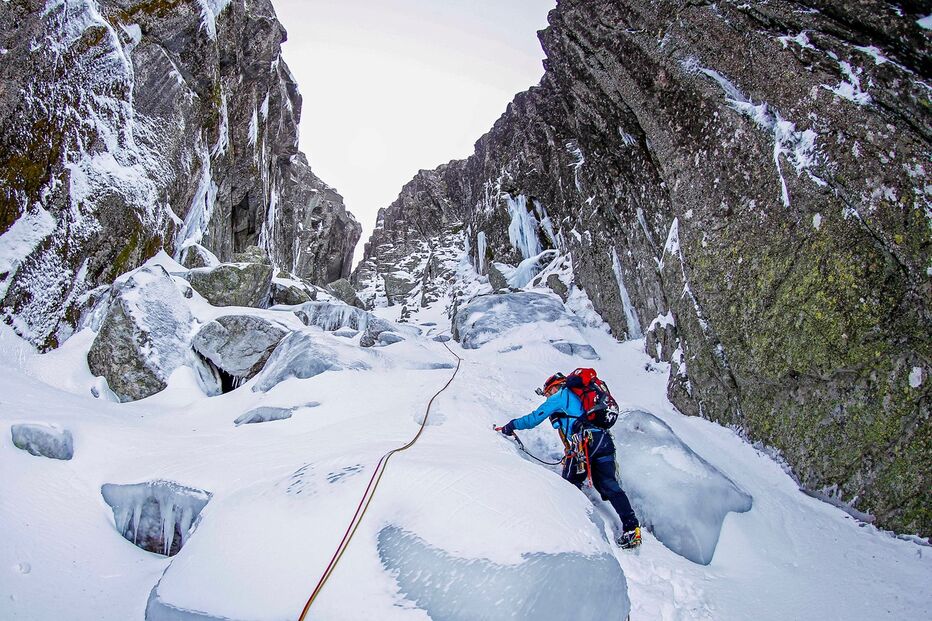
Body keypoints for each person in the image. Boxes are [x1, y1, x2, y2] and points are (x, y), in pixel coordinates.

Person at [496, 372, 641, 548]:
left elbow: (534, 418)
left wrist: (510, 426)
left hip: (584, 443)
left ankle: (576, 534)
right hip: (603, 440)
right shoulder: (582, 397)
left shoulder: (560, 396)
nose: (548, 396)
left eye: (548, 392)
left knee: (569, 486)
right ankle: (632, 528)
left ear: (555, 387)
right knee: (609, 485)